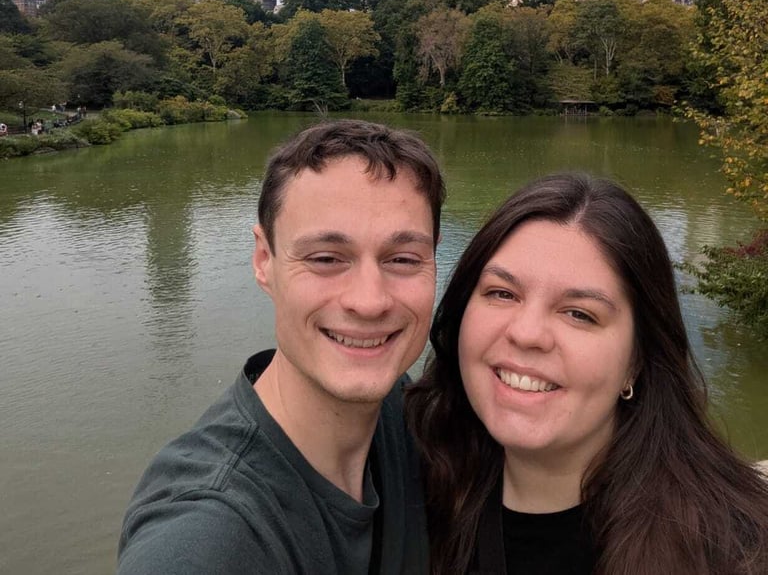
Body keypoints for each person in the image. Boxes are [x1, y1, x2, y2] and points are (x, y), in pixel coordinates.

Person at [118, 119, 445, 574]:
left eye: (403, 259)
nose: (370, 301)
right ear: (263, 260)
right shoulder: (209, 535)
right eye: (326, 258)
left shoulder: (401, 412)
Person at [406, 172, 768, 575]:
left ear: (637, 360)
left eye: (579, 314)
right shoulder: (410, 486)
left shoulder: (733, 551)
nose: (527, 333)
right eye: (502, 293)